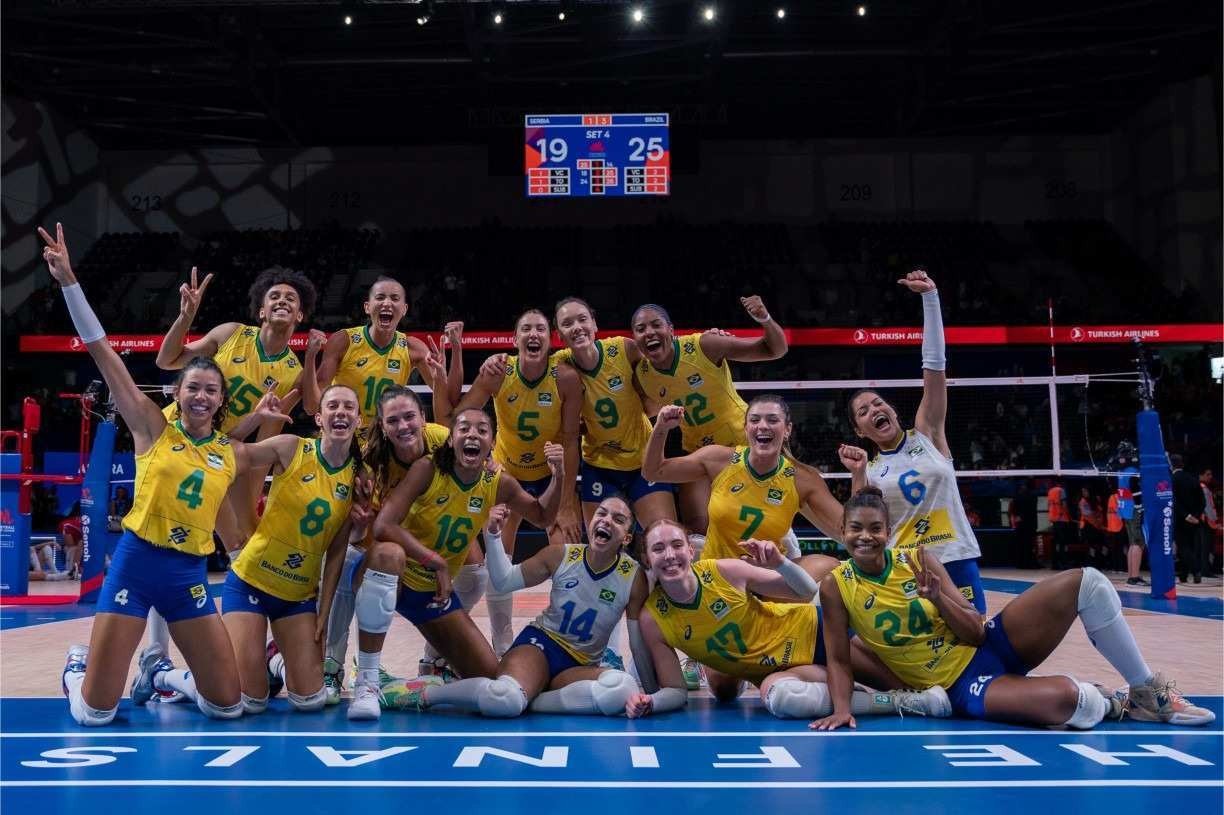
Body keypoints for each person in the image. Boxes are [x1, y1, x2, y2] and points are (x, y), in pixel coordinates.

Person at [39, 222, 289, 726]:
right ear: (176, 393)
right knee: (94, 713)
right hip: (135, 563)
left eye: (210, 391)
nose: (200, 395)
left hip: (187, 576)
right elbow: (100, 348)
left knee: (229, 705)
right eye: (192, 387)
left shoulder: (229, 451)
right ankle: (75, 671)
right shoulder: (151, 427)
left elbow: (293, 449)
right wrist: (69, 280)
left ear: (221, 402)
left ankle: (163, 677)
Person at [811, 486, 1214, 730]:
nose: (865, 537)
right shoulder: (836, 586)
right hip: (960, 686)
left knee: (1088, 581)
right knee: (1073, 702)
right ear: (842, 532)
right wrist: (842, 710)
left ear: (888, 530)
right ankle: (1112, 701)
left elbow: (976, 630)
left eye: (875, 529)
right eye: (855, 529)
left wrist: (937, 598)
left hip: (989, 646)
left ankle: (1145, 690)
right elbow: (840, 660)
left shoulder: (918, 559)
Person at [347, 408, 567, 721]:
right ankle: (366, 681)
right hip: (395, 576)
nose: (473, 434)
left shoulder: (498, 483)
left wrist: (558, 475)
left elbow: (543, 516)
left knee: (493, 681)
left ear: (492, 443)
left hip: (431, 594)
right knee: (388, 554)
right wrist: (435, 561)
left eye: (482, 430)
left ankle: (409, 691)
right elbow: (383, 526)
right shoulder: (427, 468)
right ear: (451, 440)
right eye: (464, 428)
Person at [625, 518, 950, 720]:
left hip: (816, 634)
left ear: (690, 550)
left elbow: (805, 589)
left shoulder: (724, 572)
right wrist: (648, 701)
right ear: (647, 559)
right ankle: (899, 704)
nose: (670, 555)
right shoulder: (654, 619)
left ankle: (911, 690)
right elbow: (676, 692)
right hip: (780, 672)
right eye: (658, 549)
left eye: (676, 545)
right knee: (783, 699)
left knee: (914, 681)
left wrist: (780, 561)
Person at [193, 383, 371, 715]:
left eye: (349, 407)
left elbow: (336, 551)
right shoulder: (291, 448)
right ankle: (176, 678)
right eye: (332, 406)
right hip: (250, 583)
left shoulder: (360, 476)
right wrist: (254, 419)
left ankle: (274, 660)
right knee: (249, 701)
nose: (341, 413)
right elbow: (230, 452)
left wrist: (324, 610)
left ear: (359, 420)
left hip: (298, 596)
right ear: (319, 418)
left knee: (311, 700)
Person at [382, 497, 650, 717]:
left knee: (623, 688)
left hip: (578, 666)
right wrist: (493, 535)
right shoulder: (562, 555)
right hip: (540, 647)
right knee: (505, 700)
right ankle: (424, 693)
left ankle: (532, 699)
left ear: (626, 538)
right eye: (601, 513)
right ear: (591, 522)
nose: (606, 520)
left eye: (618, 519)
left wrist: (650, 693)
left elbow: (638, 645)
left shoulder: (633, 577)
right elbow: (503, 580)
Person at [432, 309, 583, 658]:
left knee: (568, 554)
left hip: (551, 474)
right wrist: (485, 458)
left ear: (551, 339)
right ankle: (503, 643)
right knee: (497, 561)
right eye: (525, 328)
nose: (533, 334)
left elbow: (572, 439)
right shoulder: (498, 373)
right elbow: (453, 421)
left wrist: (566, 503)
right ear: (514, 340)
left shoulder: (566, 378)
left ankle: (571, 640)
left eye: (540, 329)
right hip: (506, 474)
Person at [841, 270, 986, 612]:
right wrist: (858, 472)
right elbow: (859, 519)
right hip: (905, 567)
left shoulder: (928, 434)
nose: (874, 408)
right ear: (860, 431)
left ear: (891, 409)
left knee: (975, 635)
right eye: (863, 410)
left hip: (954, 556)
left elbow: (934, 368)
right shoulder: (871, 469)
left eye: (878, 402)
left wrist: (930, 299)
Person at [155, 265, 317, 552]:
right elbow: (167, 361)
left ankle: (250, 590)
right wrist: (184, 318)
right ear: (262, 311)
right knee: (170, 524)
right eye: (275, 296)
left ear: (300, 315)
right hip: (177, 434)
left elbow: (266, 440)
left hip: (223, 445)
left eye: (291, 298)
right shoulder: (231, 334)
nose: (282, 300)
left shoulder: (294, 373)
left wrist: (250, 497)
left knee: (241, 535)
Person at [320, 384, 454, 702]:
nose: (403, 426)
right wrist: (359, 525)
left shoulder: (443, 441)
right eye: (393, 420)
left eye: (410, 417)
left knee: (475, 568)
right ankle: (333, 666)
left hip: (430, 533)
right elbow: (354, 530)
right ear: (381, 425)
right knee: (347, 559)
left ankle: (433, 661)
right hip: (385, 537)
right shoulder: (367, 460)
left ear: (423, 418)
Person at [630, 296, 788, 547]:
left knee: (765, 524)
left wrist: (764, 318)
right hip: (699, 451)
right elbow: (637, 412)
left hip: (744, 442)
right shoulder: (643, 377)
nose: (649, 332)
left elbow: (776, 350)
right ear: (635, 339)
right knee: (696, 526)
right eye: (640, 329)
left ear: (671, 330)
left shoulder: (705, 345)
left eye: (656, 325)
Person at [642, 398, 844, 562]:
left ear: (788, 429)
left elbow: (848, 528)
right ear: (746, 428)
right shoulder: (718, 459)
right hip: (719, 575)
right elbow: (653, 472)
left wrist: (859, 473)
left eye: (773, 420)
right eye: (755, 420)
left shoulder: (803, 478)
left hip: (767, 579)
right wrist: (661, 428)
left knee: (828, 566)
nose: (763, 426)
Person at [552, 297, 677, 531]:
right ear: (559, 335)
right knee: (600, 547)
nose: (577, 327)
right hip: (599, 466)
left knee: (664, 534)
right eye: (568, 323)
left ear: (594, 325)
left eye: (582, 319)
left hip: (644, 461)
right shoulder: (558, 366)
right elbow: (524, 372)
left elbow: (665, 361)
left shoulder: (624, 349)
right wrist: (498, 362)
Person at [303, 276, 462, 440]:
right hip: (343, 436)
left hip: (385, 440)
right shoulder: (343, 341)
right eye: (380, 297)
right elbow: (311, 406)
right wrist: (310, 357)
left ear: (405, 309)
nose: (387, 303)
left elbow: (450, 400)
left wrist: (455, 353)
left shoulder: (414, 348)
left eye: (394, 298)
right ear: (367, 307)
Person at [1171, 454, 1205, 584]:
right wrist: (1196, 515)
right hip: (1194, 520)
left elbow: (1174, 501)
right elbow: (1202, 501)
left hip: (1180, 519)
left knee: (1183, 547)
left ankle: (1196, 570)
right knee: (1189, 547)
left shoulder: (1172, 479)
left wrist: (1186, 515)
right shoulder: (1193, 479)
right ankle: (1183, 575)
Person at [1007, 480, 1039, 569]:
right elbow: (1032, 511)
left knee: (1021, 544)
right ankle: (1030, 563)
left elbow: (1013, 510)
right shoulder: (1032, 496)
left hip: (1020, 524)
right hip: (1029, 524)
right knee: (1029, 545)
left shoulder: (1017, 497)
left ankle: (1021, 563)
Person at [1047, 481, 1074, 570]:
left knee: (1055, 542)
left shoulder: (1050, 491)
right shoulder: (1061, 490)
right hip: (1061, 519)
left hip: (1053, 519)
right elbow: (1064, 505)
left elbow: (1049, 505)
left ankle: (1054, 563)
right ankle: (1064, 563)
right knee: (1062, 543)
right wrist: (1069, 516)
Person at [58, 503, 83, 579]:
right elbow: (70, 544)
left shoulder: (90, 524)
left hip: (86, 548)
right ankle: (72, 571)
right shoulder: (66, 524)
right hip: (71, 548)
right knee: (74, 548)